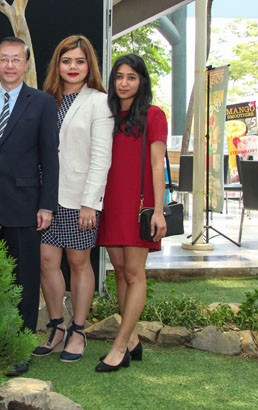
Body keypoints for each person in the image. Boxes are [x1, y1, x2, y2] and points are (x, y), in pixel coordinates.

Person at [0, 36, 59, 376]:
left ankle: (19, 346)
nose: (10, 65)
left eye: (16, 59)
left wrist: (47, 205)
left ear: (27, 63)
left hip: (25, 204)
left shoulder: (43, 103)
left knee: (25, 278)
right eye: (4, 59)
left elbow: (50, 156)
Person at [33, 35, 113, 363]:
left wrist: (90, 201)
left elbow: (101, 156)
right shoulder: (43, 99)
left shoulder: (98, 101)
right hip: (44, 196)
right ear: (58, 65)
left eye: (79, 61)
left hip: (79, 198)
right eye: (67, 61)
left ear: (89, 65)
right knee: (47, 263)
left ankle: (79, 330)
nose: (73, 67)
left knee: (79, 263)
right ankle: (57, 327)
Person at [95, 53, 167, 372]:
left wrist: (159, 211)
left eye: (131, 77)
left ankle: (120, 345)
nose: (124, 83)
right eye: (119, 77)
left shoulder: (153, 115)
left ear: (142, 82)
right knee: (120, 272)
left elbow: (156, 165)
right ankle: (134, 338)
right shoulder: (106, 114)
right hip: (109, 202)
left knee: (135, 274)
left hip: (139, 204)